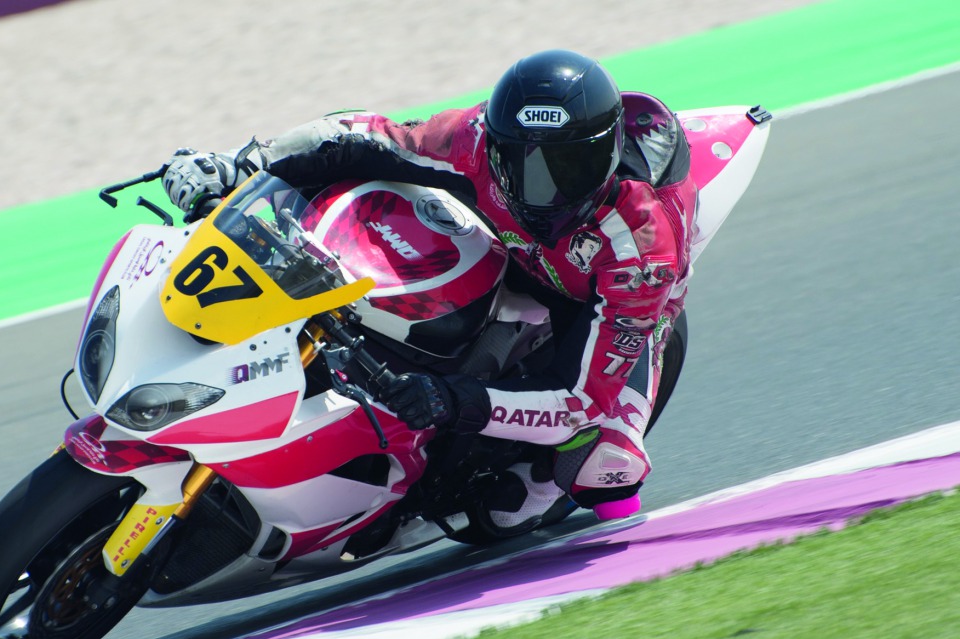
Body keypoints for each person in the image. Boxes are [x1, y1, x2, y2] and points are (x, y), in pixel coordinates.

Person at [160, 49, 696, 530]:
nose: (542, 188)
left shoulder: (642, 254)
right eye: (522, 163)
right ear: (496, 141)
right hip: (511, 249)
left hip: (600, 301)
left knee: (602, 472)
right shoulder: (474, 142)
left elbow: (579, 399)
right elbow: (366, 135)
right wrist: (243, 162)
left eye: (566, 169)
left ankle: (547, 484)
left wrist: (454, 400)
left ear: (603, 159)